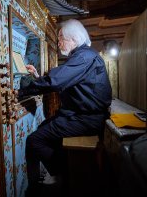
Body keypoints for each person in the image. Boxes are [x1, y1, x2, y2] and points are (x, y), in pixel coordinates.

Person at [19, 19, 112, 196]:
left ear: (74, 39)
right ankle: (64, 172)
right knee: (43, 130)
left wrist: (23, 90)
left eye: (61, 38)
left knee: (34, 141)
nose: (58, 42)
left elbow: (56, 81)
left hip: (87, 119)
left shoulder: (84, 57)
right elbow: (63, 82)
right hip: (82, 116)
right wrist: (38, 78)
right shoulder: (84, 56)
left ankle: (60, 175)